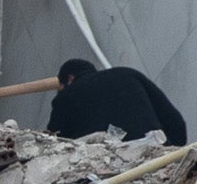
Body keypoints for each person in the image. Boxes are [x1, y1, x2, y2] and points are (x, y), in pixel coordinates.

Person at [49, 58, 187, 147]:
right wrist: (174, 146)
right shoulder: (128, 74)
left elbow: (55, 141)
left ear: (70, 78)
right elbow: (174, 120)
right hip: (154, 148)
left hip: (106, 163)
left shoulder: (65, 96)